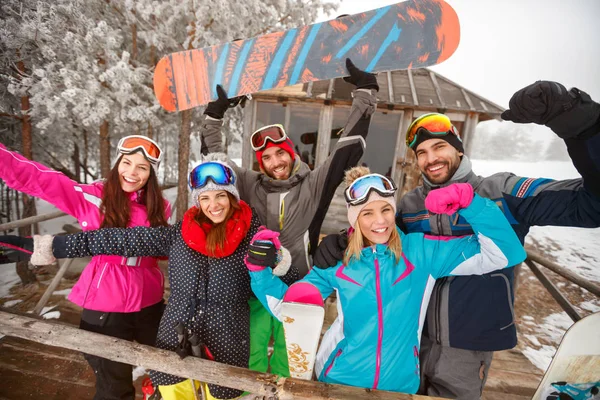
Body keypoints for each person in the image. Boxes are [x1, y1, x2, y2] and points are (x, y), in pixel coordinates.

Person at [312, 81, 600, 399]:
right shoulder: (409, 205)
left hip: (466, 345)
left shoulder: (502, 191)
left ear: (458, 148)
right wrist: (343, 240)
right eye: (421, 152)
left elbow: (591, 206)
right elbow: (381, 241)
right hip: (405, 340)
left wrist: (579, 121)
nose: (430, 158)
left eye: (439, 147)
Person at [11, 155, 299, 400]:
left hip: (229, 340)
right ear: (197, 201)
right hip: (175, 336)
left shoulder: (256, 238)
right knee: (173, 393)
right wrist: (50, 247)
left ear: (232, 197)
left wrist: (280, 263)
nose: (214, 205)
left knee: (225, 395)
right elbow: (114, 240)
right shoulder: (178, 235)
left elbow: (294, 285)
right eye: (205, 197)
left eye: (221, 195)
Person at [243, 166, 526, 394]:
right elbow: (290, 309)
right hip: (339, 381)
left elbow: (504, 254)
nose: (379, 221)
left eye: (385, 210)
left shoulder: (421, 251)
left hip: (399, 385)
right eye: (367, 213)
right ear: (355, 219)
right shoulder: (338, 263)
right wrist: (259, 271)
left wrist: (473, 205)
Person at [200, 58, 379, 377]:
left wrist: (365, 92)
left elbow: (347, 149)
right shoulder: (248, 183)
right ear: (260, 162)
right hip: (256, 285)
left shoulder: (314, 184)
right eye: (266, 157)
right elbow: (214, 163)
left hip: (301, 285)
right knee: (253, 351)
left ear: (291, 152)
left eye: (280, 152)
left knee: (291, 358)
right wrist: (215, 114)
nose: (275, 161)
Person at [0, 135, 171, 400]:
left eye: (142, 167)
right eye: (127, 163)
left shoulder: (159, 206)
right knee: (114, 387)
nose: (132, 173)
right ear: (117, 164)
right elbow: (40, 179)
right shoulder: (93, 198)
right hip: (106, 306)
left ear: (151, 174)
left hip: (151, 304)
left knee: (169, 373)